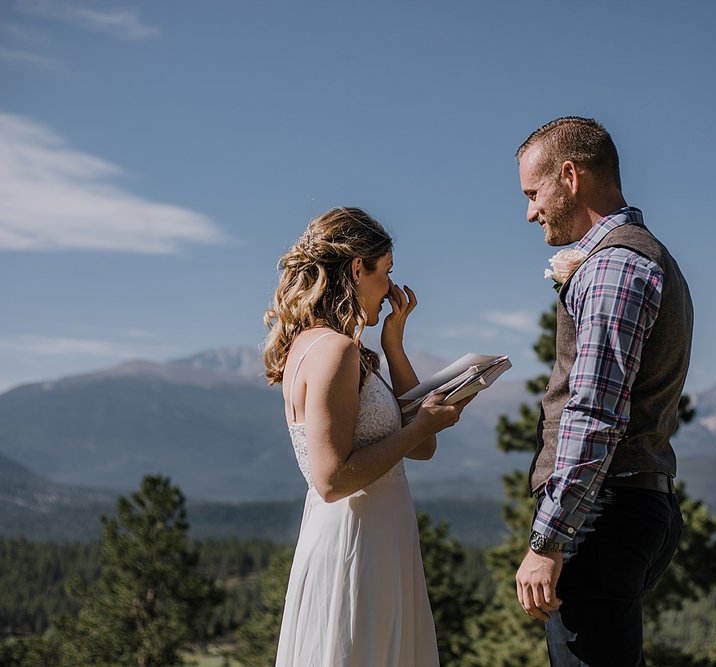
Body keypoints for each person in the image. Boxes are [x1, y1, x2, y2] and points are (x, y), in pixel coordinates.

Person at [514, 117, 693, 666]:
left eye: (533, 192)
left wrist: (548, 540)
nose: (529, 212)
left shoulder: (614, 265)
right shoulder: (644, 254)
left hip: (604, 512)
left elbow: (594, 411)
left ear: (569, 175)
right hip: (637, 503)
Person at [262, 206, 470, 666]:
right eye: (387, 271)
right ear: (359, 267)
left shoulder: (333, 346)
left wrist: (394, 345)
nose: (392, 288)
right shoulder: (333, 351)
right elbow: (332, 479)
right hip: (357, 546)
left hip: (380, 538)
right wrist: (422, 423)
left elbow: (422, 447)